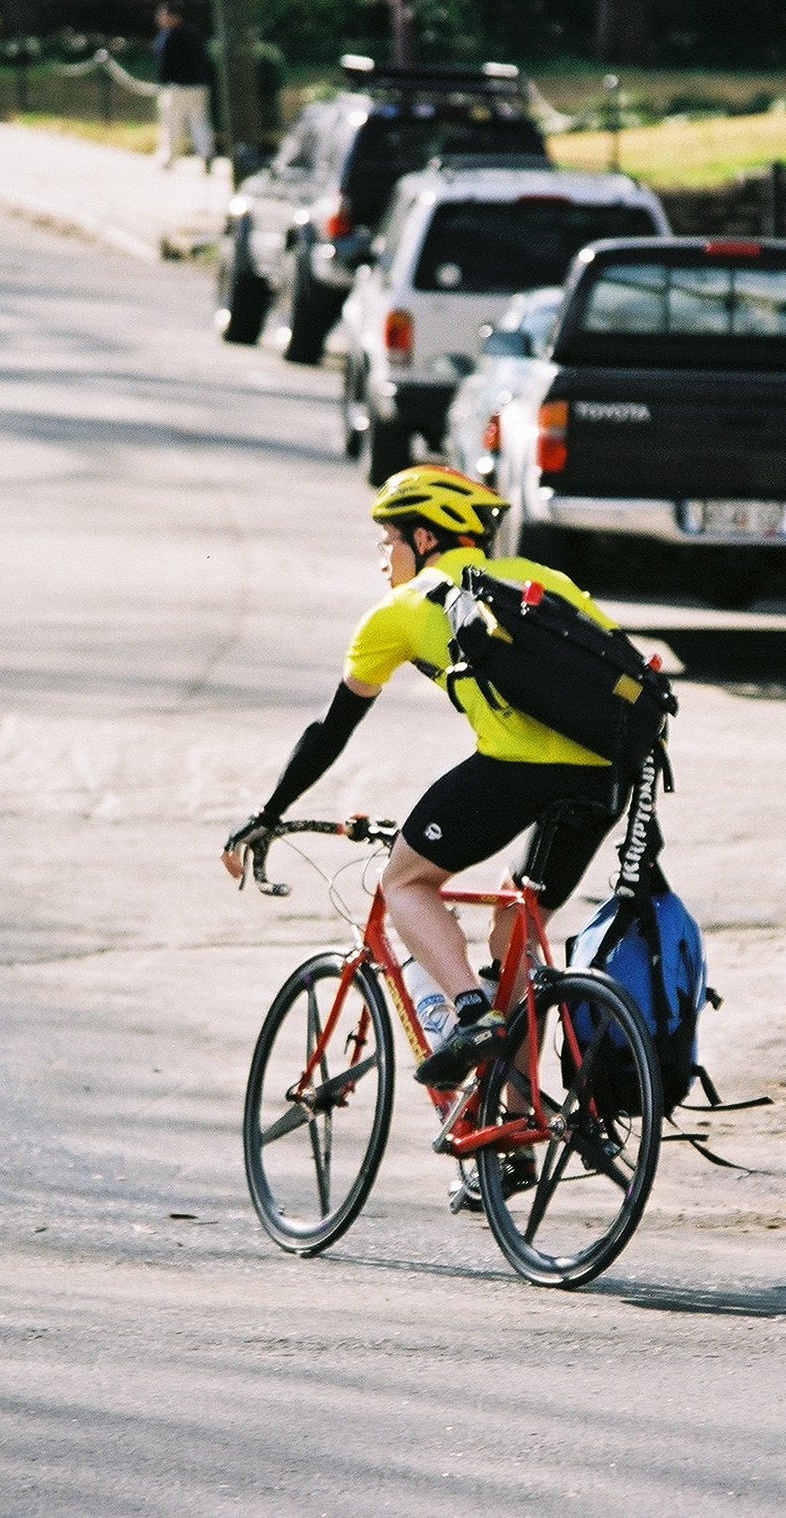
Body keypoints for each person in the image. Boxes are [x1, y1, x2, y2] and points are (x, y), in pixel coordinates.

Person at [221, 466, 625, 1092]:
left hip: (516, 772)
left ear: (424, 539)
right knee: (513, 925)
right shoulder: (547, 582)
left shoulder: (400, 611)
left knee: (405, 880)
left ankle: (470, 1014)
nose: (383, 558)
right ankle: (515, 1120)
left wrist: (269, 812)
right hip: (608, 778)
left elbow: (332, 730)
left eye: (389, 541)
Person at [151, 0, 214, 171]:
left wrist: (162, 83)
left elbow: (165, 63)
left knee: (172, 124)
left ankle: (169, 157)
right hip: (199, 85)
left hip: (176, 86)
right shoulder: (195, 32)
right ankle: (206, 153)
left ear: (171, 17)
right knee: (199, 122)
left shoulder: (168, 35)